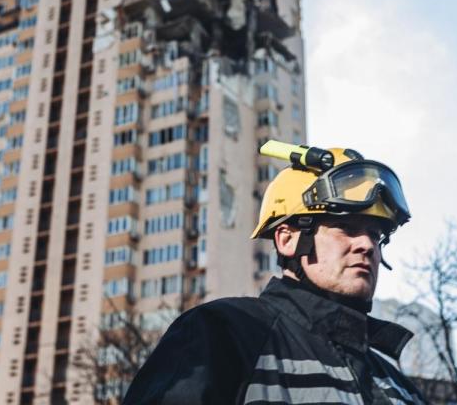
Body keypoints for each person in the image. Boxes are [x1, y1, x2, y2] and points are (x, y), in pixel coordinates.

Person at [124, 141, 426, 405]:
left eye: (376, 234)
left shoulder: (401, 388)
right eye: (346, 227)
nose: (367, 245)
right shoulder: (223, 333)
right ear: (288, 238)